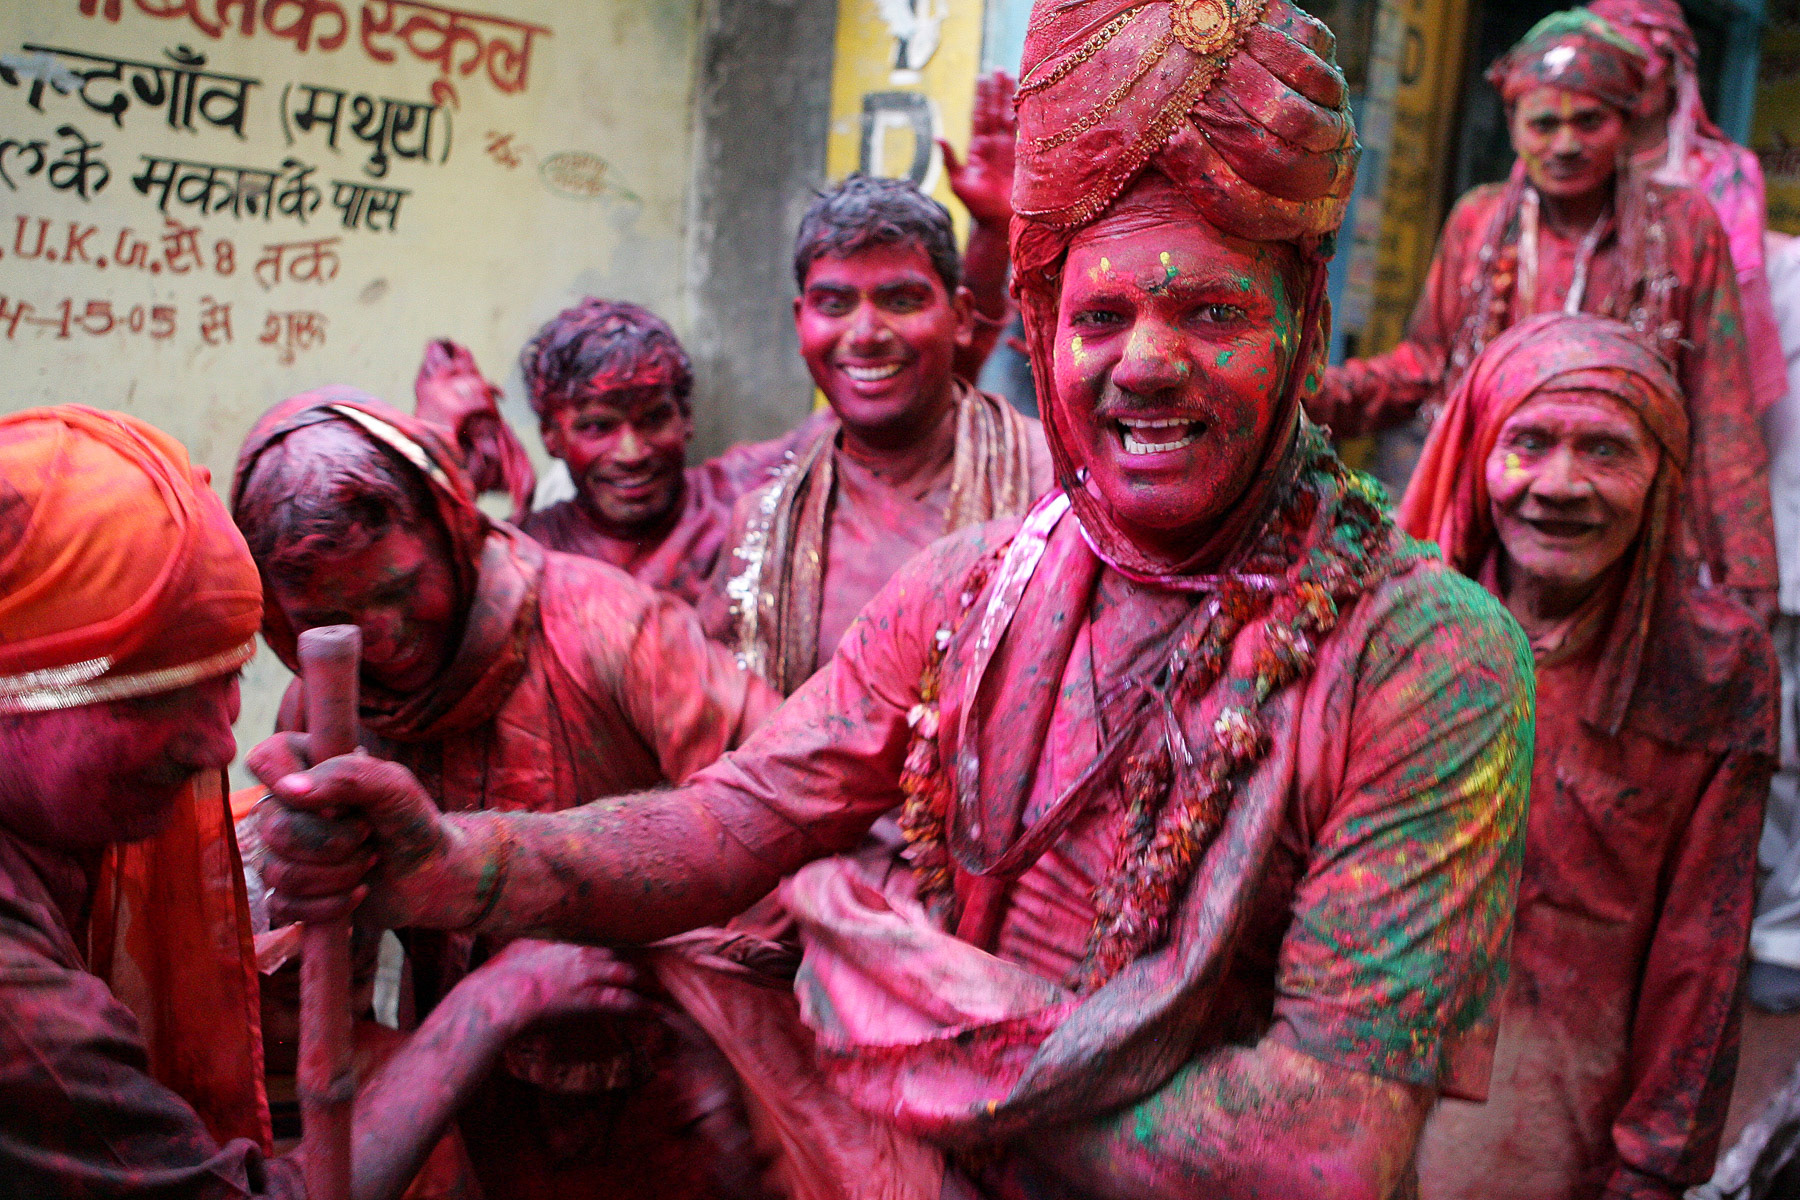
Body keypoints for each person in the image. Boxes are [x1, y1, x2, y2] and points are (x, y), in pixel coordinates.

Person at [248, 3, 1537, 1197]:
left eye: (1210, 310)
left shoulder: (1425, 659)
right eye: (1102, 317)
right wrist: (449, 864)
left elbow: (1320, 1144)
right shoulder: (974, 586)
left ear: (1307, 323)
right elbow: (731, 826)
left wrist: (913, 1053)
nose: (1146, 362)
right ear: (1041, 328)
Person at [0, 404, 639, 1200]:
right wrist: (488, 1005)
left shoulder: (616, 628)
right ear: (17, 696)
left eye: (227, 681)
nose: (220, 746)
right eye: (156, 699)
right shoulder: (15, 995)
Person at [229, 387, 782, 1200]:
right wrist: (308, 886)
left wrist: (721, 1011)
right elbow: (322, 995)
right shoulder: (329, 700)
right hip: (488, 1109)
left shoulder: (603, 625)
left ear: (450, 531)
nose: (379, 636)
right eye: (331, 615)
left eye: (397, 589)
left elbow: (783, 807)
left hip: (687, 1088)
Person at [1396, 313, 1776, 1199]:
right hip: (1367, 1103)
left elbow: (1701, 960)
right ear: (1481, 454)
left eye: (1607, 451)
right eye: (1528, 443)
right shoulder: (1407, 632)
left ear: (1663, 475)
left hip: (1558, 1130)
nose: (1561, 486)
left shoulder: (1713, 669)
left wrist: (1651, 1169)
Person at [1308, 6, 1777, 617]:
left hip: (1623, 522)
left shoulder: (1686, 228)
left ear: (1628, 125)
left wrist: (1748, 569)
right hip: (1489, 512)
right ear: (1513, 125)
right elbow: (1427, 364)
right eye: (1544, 123)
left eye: (1589, 121)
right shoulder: (1478, 222)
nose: (1564, 145)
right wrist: (1309, 397)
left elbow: (1720, 411)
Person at [704, 173, 1055, 694]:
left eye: (900, 300)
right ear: (802, 322)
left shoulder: (1051, 477)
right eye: (835, 304)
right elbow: (726, 719)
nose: (866, 334)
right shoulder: (760, 524)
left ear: (960, 317)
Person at [513, 299, 828, 608]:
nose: (631, 453)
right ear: (551, 437)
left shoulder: (743, 493)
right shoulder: (524, 557)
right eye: (598, 426)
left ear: (686, 417)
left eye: (653, 419)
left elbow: (841, 430)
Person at [1587, 0, 1788, 417]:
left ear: (1675, 71)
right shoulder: (1570, 166)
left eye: (1643, 61)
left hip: (1684, 383)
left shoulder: (1727, 173)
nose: (1629, 79)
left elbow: (1733, 313)